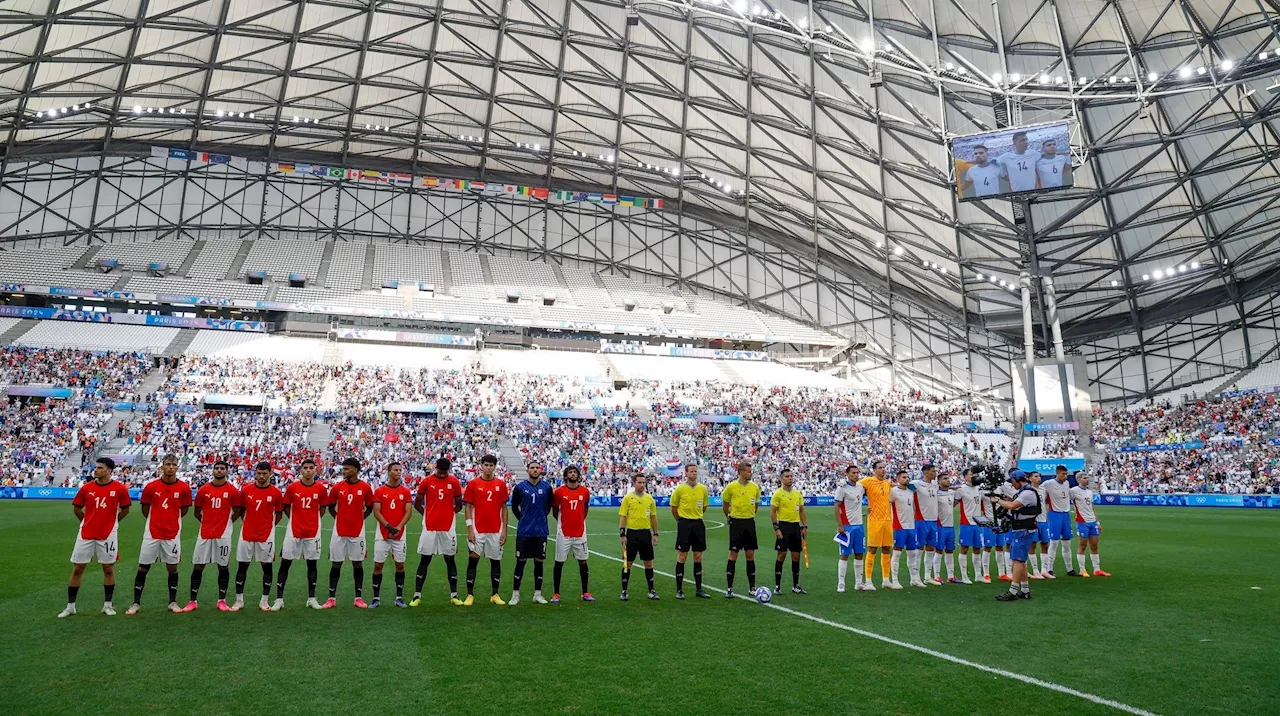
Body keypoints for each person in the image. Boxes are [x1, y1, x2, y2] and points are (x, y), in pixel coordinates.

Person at [60, 457, 130, 618]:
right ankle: (70, 606)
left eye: (100, 468)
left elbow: (125, 509)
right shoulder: (86, 488)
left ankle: (107, 605)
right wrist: (86, 522)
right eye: (96, 467)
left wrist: (113, 522)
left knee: (108, 567)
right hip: (86, 533)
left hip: (107, 535)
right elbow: (77, 509)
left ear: (109, 470)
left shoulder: (119, 489)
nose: (96, 470)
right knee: (78, 567)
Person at [125, 454, 192, 615]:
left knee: (172, 567)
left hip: (172, 533)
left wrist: (170, 521)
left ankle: (172, 602)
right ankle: (135, 603)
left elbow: (183, 510)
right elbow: (145, 509)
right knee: (143, 567)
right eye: (167, 464)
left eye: (173, 464)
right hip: (152, 533)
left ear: (177, 467)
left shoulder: (183, 488)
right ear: (161, 466)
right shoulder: (151, 486)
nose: (170, 467)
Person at [185, 459, 241, 612]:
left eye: (223, 468)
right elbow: (197, 511)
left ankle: (221, 600)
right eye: (217, 468)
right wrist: (206, 523)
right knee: (198, 565)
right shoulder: (204, 490)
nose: (219, 470)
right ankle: (193, 601)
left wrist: (227, 523)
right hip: (204, 534)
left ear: (227, 471)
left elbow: (237, 511)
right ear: (213, 470)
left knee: (223, 566)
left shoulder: (232, 491)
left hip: (223, 535)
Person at [411, 457, 463, 606]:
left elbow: (459, 504)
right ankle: (417, 595)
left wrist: (448, 515)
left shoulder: (453, 482)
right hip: (430, 527)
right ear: (435, 468)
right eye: (440, 472)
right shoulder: (427, 481)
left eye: (444, 472)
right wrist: (428, 516)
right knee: (425, 559)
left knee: (450, 559)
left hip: (447, 528)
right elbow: (418, 502)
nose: (441, 475)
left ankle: (454, 595)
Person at [232, 462, 283, 612]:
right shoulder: (246, 490)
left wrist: (268, 525)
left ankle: (264, 600)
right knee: (242, 566)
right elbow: (241, 510)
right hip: (247, 534)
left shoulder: (276, 492)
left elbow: (279, 513)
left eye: (264, 473)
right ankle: (239, 600)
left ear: (270, 474)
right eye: (259, 473)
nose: (261, 476)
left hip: (266, 536)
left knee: (266, 567)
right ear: (255, 473)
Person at [277, 458, 326, 610]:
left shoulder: (321, 489)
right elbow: (286, 506)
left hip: (313, 532)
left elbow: (322, 509)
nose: (308, 470)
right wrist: (294, 520)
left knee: (312, 564)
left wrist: (311, 520)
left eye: (311, 467)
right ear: (301, 470)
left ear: (316, 470)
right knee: (285, 563)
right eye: (305, 467)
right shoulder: (292, 487)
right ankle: (279, 599)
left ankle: (312, 598)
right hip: (293, 531)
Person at [325, 457, 373, 609]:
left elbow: (370, 507)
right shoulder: (337, 487)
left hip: (358, 532)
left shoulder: (365, 487)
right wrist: (339, 518)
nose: (344, 471)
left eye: (347, 468)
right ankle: (331, 598)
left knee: (357, 563)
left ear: (355, 470)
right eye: (343, 468)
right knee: (336, 563)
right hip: (339, 532)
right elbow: (331, 506)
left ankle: (358, 597)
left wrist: (360, 518)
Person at [462, 454, 509, 606]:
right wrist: (470, 529)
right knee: (473, 561)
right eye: (486, 465)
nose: (488, 468)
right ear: (481, 466)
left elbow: (504, 508)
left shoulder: (500, 484)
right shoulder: (473, 483)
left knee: (496, 562)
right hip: (478, 530)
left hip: (495, 530)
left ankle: (495, 594)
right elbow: (468, 507)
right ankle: (470, 595)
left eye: (491, 465)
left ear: (495, 467)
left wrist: (505, 530)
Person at [510, 461, 553, 605]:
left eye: (537, 468)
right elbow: (515, 507)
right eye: (532, 468)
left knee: (539, 562)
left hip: (541, 531)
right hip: (524, 531)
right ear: (527, 470)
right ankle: (515, 595)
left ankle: (538, 594)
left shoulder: (547, 487)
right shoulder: (520, 487)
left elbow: (548, 507)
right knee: (520, 562)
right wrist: (523, 519)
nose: (535, 470)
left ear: (540, 470)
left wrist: (539, 519)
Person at [992, 470, 1040, 601]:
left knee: (1017, 560)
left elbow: (1013, 506)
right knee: (1021, 561)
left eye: (1013, 482)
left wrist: (997, 500)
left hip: (1023, 530)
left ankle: (1013, 591)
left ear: (1017, 480)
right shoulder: (1026, 492)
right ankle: (1024, 590)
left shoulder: (1027, 493)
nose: (1012, 485)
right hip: (1024, 529)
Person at [370, 462, 412, 608]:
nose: (398, 472)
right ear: (389, 472)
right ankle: (376, 598)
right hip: (382, 534)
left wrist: (398, 528)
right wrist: (389, 527)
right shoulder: (380, 490)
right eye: (395, 470)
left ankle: (399, 598)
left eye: (400, 470)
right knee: (378, 565)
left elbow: (408, 512)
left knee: (400, 565)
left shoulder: (405, 491)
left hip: (400, 535)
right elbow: (377, 512)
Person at [551, 465, 593, 603]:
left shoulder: (585, 491)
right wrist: (563, 523)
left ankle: (585, 592)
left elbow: (585, 509)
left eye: (575, 472)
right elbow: (555, 510)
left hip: (580, 533)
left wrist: (578, 521)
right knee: (559, 562)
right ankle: (556, 593)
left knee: (583, 561)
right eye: (570, 472)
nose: (573, 474)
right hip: (564, 533)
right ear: (566, 475)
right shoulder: (559, 492)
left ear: (578, 475)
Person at [721, 460, 761, 598]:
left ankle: (752, 588)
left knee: (750, 555)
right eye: (748, 471)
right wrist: (730, 517)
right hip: (736, 523)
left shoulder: (755, 487)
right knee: (733, 554)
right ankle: (729, 588)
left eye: (751, 471)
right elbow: (725, 506)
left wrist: (750, 516)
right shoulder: (731, 487)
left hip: (749, 523)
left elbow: (756, 506)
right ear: (741, 472)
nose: (750, 473)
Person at [670, 462, 710, 599]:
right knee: (682, 556)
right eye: (691, 471)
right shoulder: (680, 489)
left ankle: (699, 589)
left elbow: (704, 507)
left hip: (698, 524)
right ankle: (679, 589)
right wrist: (681, 521)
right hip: (684, 524)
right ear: (686, 473)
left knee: (698, 556)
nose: (693, 474)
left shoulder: (703, 489)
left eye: (695, 471)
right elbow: (674, 508)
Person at [618, 474, 659, 601]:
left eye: (644, 482)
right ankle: (624, 591)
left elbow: (653, 517)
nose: (642, 485)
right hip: (632, 534)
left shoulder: (649, 499)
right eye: (640, 482)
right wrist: (622, 534)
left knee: (648, 562)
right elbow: (623, 516)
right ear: (634, 483)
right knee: (627, 563)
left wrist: (655, 534)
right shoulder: (628, 498)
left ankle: (651, 590)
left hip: (645, 534)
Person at [770, 467, 807, 595]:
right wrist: (776, 528)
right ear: (781, 479)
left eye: (791, 476)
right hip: (784, 526)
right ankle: (777, 586)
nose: (790, 478)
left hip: (795, 527)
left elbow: (802, 511)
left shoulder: (797, 494)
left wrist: (804, 526)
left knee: (796, 556)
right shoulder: (778, 493)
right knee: (781, 555)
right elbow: (773, 512)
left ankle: (796, 585)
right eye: (787, 476)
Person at [858, 460, 893, 588]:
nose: (883, 470)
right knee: (872, 549)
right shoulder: (867, 481)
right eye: (880, 468)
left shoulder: (887, 483)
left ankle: (885, 580)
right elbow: (854, 488)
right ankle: (868, 580)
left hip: (888, 520)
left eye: (884, 467)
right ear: (874, 470)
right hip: (875, 520)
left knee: (886, 549)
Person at [833, 464, 868, 593]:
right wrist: (840, 524)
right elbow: (836, 506)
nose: (855, 475)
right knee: (844, 554)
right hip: (847, 526)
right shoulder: (842, 488)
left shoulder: (861, 487)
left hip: (859, 526)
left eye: (857, 473)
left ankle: (858, 583)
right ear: (847, 474)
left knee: (859, 554)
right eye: (853, 473)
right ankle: (841, 583)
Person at [1070, 473, 1110, 577]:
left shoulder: (1089, 492)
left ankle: (1097, 569)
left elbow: (1092, 507)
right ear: (1079, 479)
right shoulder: (1073, 491)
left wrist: (1098, 522)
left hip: (1092, 521)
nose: (1087, 479)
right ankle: (1082, 570)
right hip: (1082, 521)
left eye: (1087, 477)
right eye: (1084, 478)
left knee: (1094, 545)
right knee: (1082, 545)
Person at [888, 470, 921, 589]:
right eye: (904, 477)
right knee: (897, 554)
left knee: (912, 554)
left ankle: (914, 579)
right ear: (898, 479)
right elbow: (887, 505)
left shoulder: (911, 491)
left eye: (908, 477)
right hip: (899, 526)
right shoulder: (893, 492)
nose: (907, 479)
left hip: (911, 526)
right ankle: (895, 580)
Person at [1042, 464, 1074, 578]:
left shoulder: (1067, 483)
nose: (1065, 476)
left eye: (1066, 474)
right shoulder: (1048, 484)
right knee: (1054, 542)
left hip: (1066, 515)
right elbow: (1041, 495)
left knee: (1067, 543)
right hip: (1054, 514)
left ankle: (1070, 569)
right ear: (1057, 474)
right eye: (1063, 474)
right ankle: (1049, 568)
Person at [912, 464, 940, 585]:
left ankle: (927, 576)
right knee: (919, 548)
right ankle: (915, 577)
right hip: (920, 520)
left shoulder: (935, 484)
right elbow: (900, 488)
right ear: (926, 472)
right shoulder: (916, 484)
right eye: (933, 471)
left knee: (931, 547)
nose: (935, 473)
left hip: (933, 520)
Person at [954, 467, 983, 584]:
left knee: (977, 549)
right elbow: (953, 504)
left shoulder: (979, 488)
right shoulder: (961, 489)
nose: (973, 476)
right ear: (965, 477)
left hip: (978, 523)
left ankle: (978, 575)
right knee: (964, 549)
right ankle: (964, 576)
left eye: (974, 475)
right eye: (971, 475)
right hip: (966, 523)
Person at [935, 472, 959, 583]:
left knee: (950, 551)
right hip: (940, 526)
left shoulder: (952, 493)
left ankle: (951, 576)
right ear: (939, 481)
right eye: (945, 479)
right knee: (939, 551)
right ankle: (937, 576)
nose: (948, 480)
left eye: (948, 478)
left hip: (950, 526)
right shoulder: (936, 493)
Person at [1029, 472, 1052, 579]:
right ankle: (1035, 570)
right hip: (1033, 521)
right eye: (1036, 476)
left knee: (1045, 544)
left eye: (1039, 476)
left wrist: (1046, 514)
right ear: (1030, 479)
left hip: (1043, 521)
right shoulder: (1028, 490)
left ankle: (1044, 570)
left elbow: (1046, 503)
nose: (1039, 478)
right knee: (1032, 545)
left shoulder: (1043, 490)